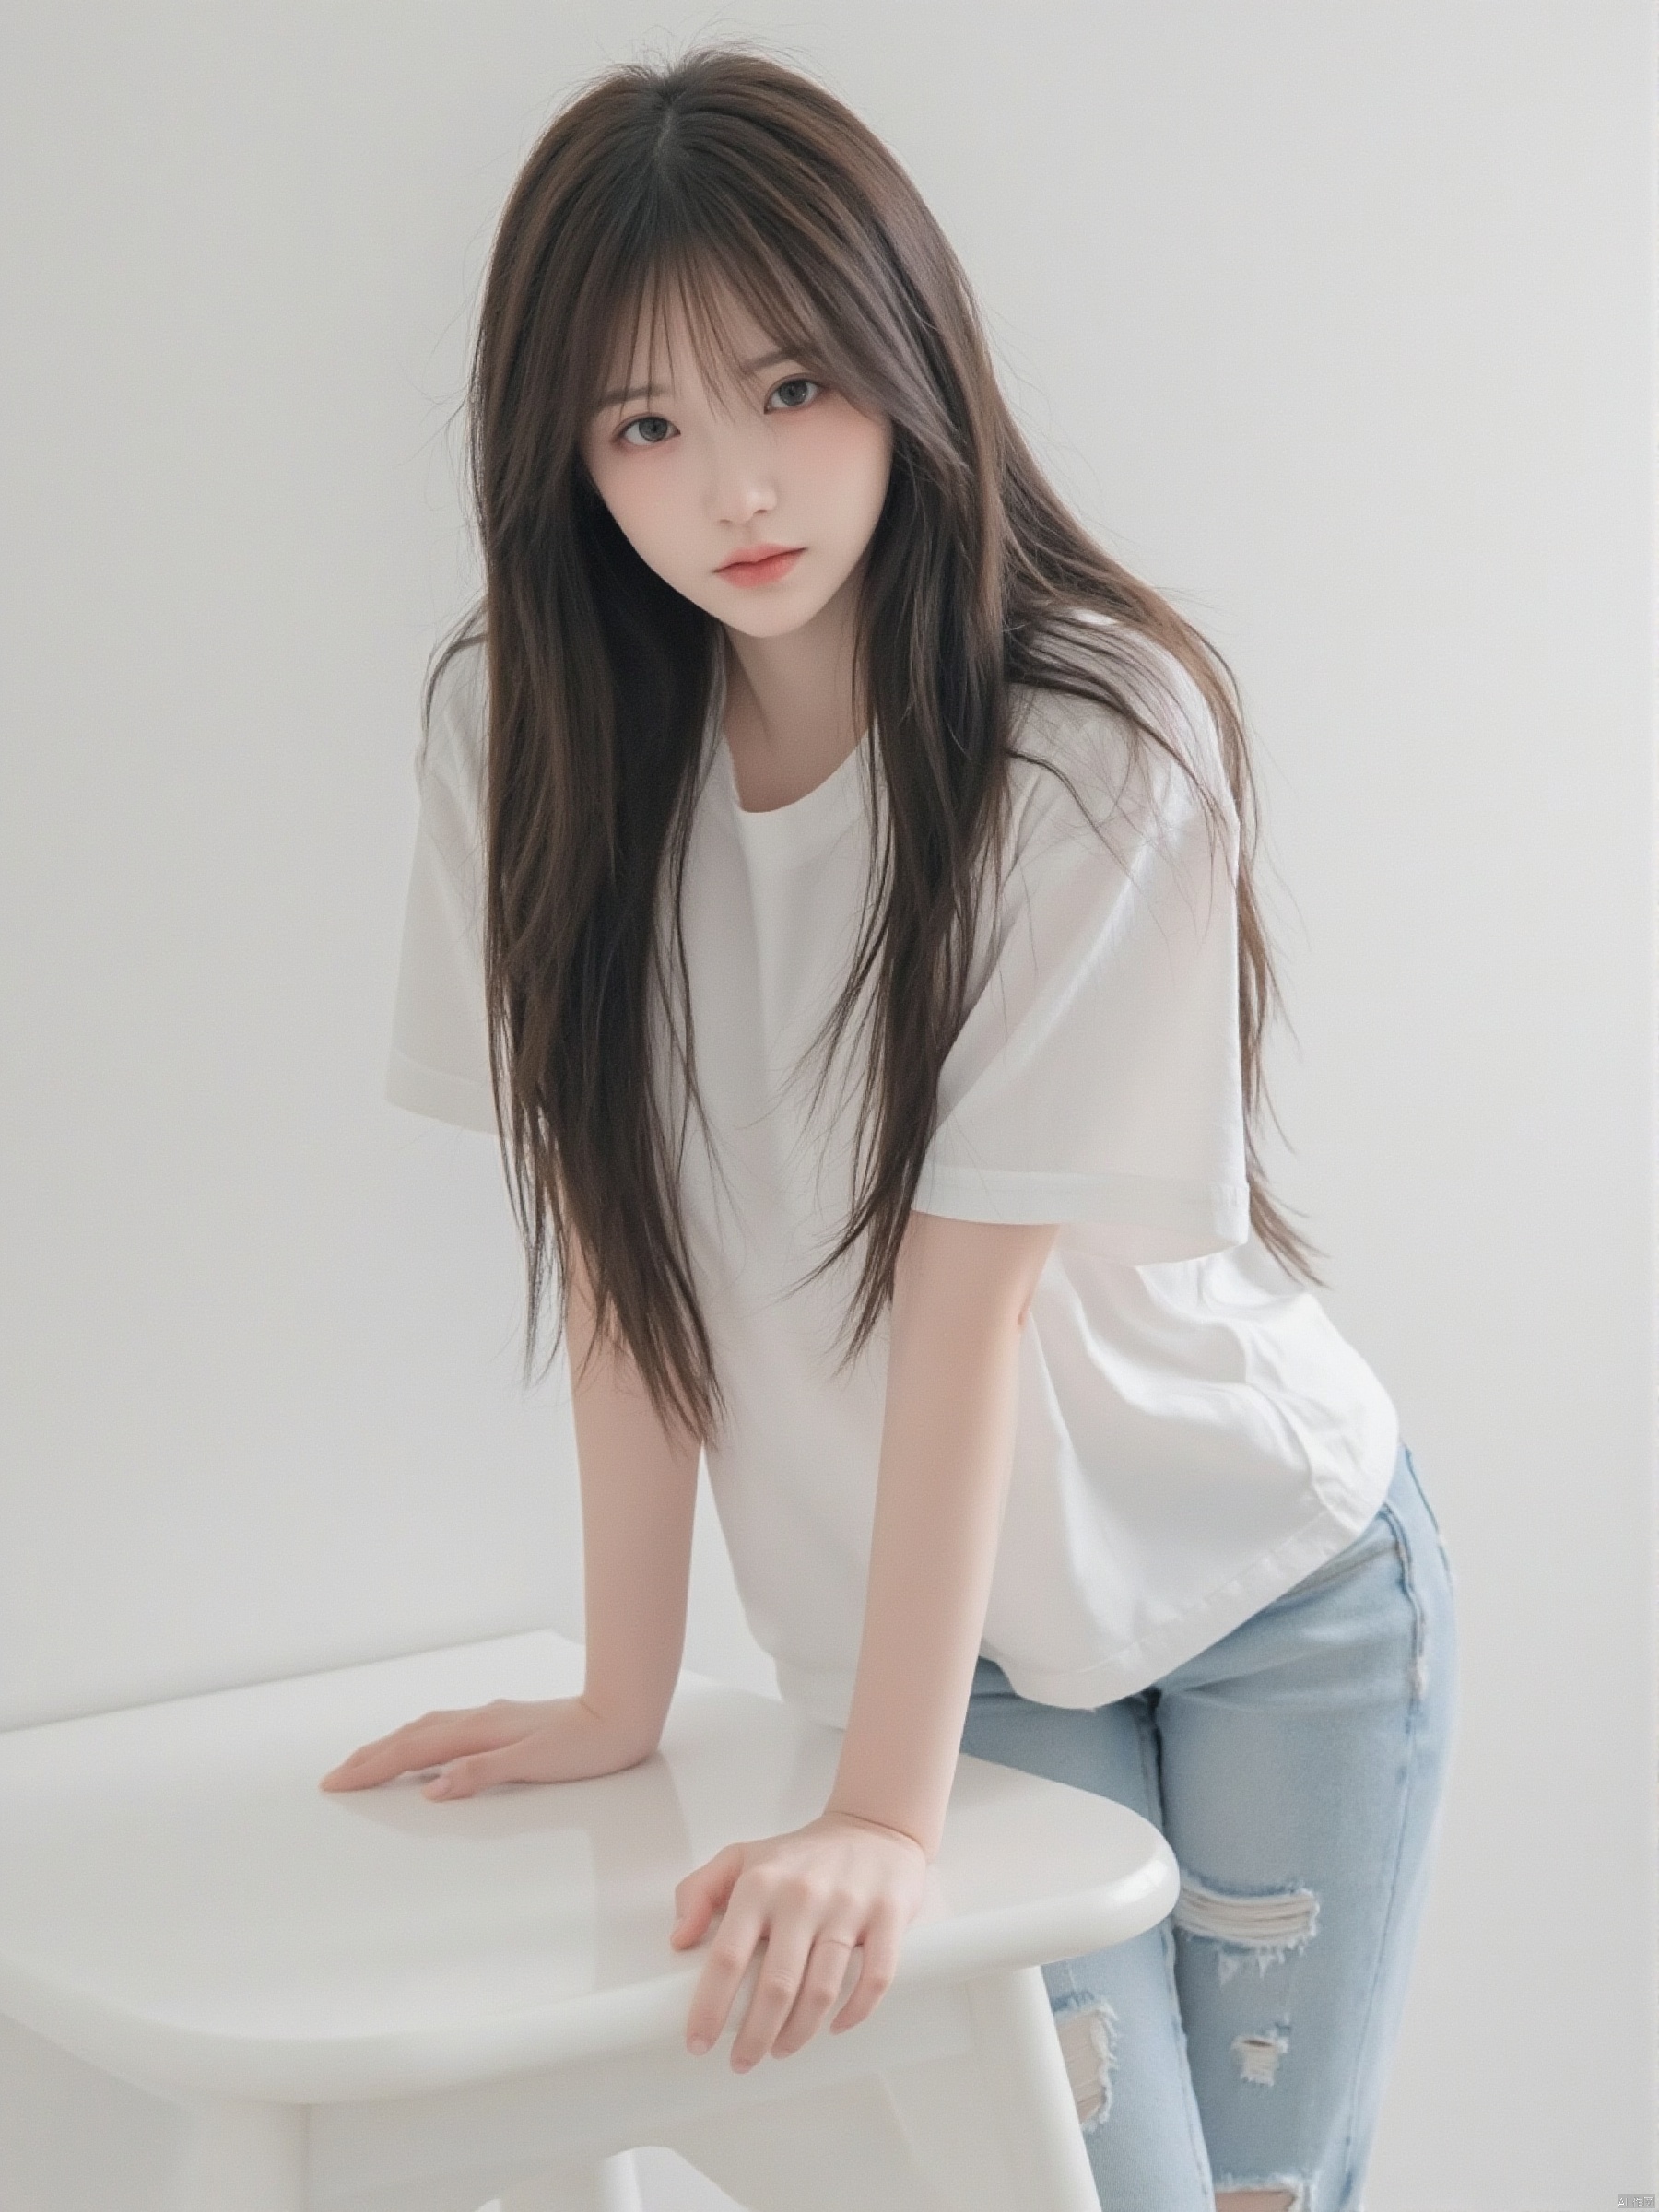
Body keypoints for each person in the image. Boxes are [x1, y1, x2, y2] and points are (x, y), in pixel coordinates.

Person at [319, 47, 1457, 2212]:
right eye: (645, 426)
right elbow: (625, 1246)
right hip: (957, 1653)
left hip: (1275, 1581)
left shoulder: (1091, 737)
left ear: (907, 358)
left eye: (792, 386)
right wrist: (624, 1692)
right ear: (564, 457)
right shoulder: (525, 739)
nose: (736, 485)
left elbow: (970, 1303)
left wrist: (880, 1820)